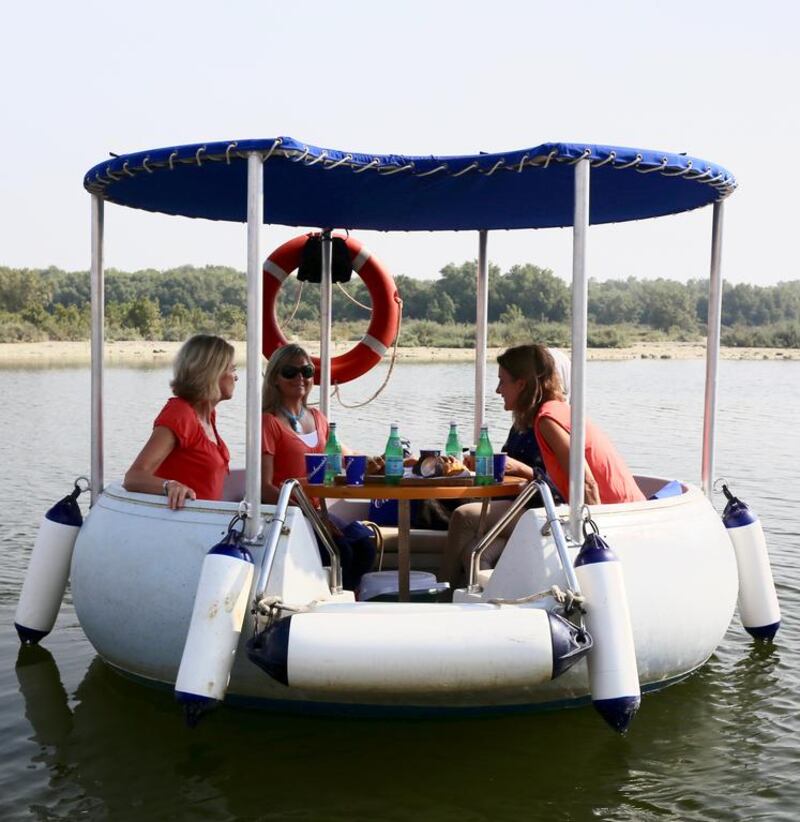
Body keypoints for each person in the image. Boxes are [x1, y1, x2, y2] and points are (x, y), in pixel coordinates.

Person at [440, 344, 643, 587]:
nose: (497, 390)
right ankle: (465, 601)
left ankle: (441, 594)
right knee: (476, 547)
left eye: (502, 382)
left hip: (610, 516)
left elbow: (586, 483)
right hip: (591, 511)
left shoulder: (547, 420)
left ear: (521, 384)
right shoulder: (555, 413)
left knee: (465, 516)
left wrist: (594, 543)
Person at [261, 344, 374, 589]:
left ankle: (348, 600)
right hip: (289, 514)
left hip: (318, 510)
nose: (300, 378)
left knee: (365, 544)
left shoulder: (318, 418)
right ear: (275, 379)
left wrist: (381, 460)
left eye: (307, 371)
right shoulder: (268, 423)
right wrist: (312, 517)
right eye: (290, 372)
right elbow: (265, 488)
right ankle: (332, 602)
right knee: (341, 550)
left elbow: (348, 456)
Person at [124, 334, 236, 509]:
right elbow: (133, 477)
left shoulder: (208, 415)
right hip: (182, 525)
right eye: (232, 369)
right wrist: (169, 485)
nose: (235, 378)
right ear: (213, 373)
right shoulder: (181, 413)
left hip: (205, 524)